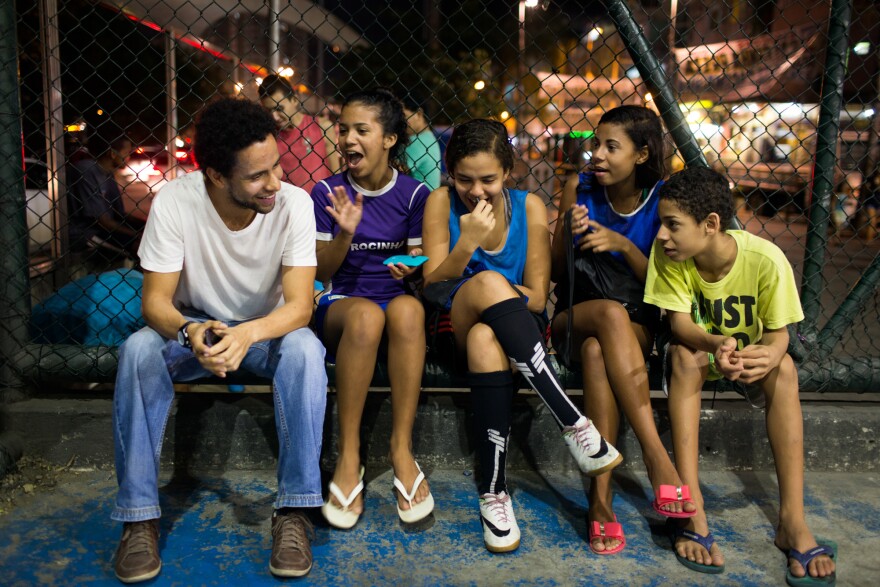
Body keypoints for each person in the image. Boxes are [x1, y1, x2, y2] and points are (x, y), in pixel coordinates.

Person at [111, 98, 327, 582]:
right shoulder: (174, 201)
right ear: (214, 174)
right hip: (197, 329)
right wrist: (191, 333)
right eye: (257, 176)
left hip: (263, 331)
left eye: (277, 166)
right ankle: (139, 517)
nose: (274, 183)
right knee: (138, 349)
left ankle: (294, 512)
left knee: (307, 349)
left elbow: (299, 307)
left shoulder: (294, 204)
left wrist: (247, 332)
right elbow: (156, 303)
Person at [421, 119, 622, 554]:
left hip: (514, 333)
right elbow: (434, 286)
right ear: (450, 173)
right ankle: (573, 421)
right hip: (450, 321)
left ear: (508, 172)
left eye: (489, 180)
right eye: (464, 180)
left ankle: (494, 492)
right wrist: (467, 244)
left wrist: (493, 287)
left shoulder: (529, 206)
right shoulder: (439, 202)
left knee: (485, 338)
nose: (476, 192)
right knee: (488, 287)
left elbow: (534, 298)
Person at [644, 166, 837, 584]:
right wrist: (715, 344)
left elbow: (779, 335)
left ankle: (793, 521)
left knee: (784, 369)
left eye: (672, 225)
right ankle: (693, 505)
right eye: (662, 223)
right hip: (703, 356)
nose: (661, 235)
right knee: (682, 355)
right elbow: (679, 324)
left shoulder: (765, 260)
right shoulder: (670, 255)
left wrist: (766, 356)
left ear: (710, 224)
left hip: (750, 360)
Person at [550, 105, 695, 556]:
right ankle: (656, 457)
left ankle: (600, 501)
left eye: (611, 146)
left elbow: (668, 283)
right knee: (606, 319)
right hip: (574, 318)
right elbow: (556, 270)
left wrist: (625, 245)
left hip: (637, 322)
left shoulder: (662, 198)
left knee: (599, 352)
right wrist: (566, 230)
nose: (597, 154)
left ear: (641, 153)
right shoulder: (580, 187)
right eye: (596, 144)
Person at [313, 89, 434, 528]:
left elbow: (419, 258)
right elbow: (319, 271)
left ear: (389, 139)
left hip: (392, 300)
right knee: (367, 315)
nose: (347, 140)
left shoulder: (415, 194)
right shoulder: (327, 191)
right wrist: (345, 234)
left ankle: (401, 448)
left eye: (362, 130)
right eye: (344, 129)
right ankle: (349, 456)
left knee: (409, 312)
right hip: (342, 303)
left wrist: (412, 267)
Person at [67, 121, 143, 263]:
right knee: (139, 246)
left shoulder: (107, 174)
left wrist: (146, 225)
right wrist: (138, 234)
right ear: (112, 154)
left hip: (104, 228)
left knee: (147, 235)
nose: (129, 157)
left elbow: (120, 214)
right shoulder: (87, 171)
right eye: (126, 153)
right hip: (86, 233)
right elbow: (103, 221)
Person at [258, 74, 341, 193]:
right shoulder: (269, 138)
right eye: (268, 110)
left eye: (279, 108)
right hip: (290, 207)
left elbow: (336, 174)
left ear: (294, 100)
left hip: (321, 205)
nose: (274, 117)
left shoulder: (322, 127)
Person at [402, 94, 442, 191]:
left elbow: (396, 170)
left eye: (403, 116)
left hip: (418, 202)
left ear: (419, 113)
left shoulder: (417, 141)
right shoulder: (429, 138)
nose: (400, 122)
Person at [858, 170, 880, 242]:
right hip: (872, 201)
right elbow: (866, 190)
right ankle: (869, 239)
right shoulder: (871, 178)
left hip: (878, 202)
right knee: (872, 221)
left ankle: (868, 235)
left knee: (875, 221)